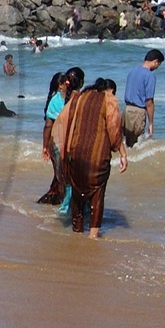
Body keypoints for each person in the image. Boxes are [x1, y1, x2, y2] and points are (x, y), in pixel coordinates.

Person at [52, 77, 129, 238]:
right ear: (110, 91)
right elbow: (114, 130)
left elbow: (63, 121)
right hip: (97, 156)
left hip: (75, 153)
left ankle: (77, 230)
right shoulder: (109, 100)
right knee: (97, 194)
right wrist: (122, 153)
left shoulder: (79, 98)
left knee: (77, 194)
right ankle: (93, 235)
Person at [38, 68, 84, 206]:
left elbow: (48, 125)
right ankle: (74, 205)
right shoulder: (83, 99)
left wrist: (45, 146)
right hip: (77, 143)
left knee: (61, 176)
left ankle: (64, 204)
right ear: (81, 83)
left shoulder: (56, 99)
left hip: (58, 143)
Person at [122, 48, 163, 147]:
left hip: (126, 110)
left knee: (125, 144)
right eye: (158, 64)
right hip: (138, 113)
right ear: (155, 61)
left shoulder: (132, 72)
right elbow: (149, 101)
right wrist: (151, 123)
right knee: (135, 145)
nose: (157, 67)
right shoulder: (150, 76)